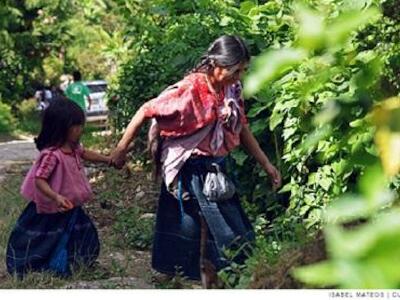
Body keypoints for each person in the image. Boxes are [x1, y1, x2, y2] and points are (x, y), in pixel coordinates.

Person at [110, 35, 282, 280]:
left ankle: (220, 275)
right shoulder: (189, 89)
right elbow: (146, 110)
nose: (239, 76)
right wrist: (121, 149)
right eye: (235, 70)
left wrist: (266, 164)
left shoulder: (231, 88)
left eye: (243, 70)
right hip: (190, 168)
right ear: (216, 65)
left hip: (217, 166)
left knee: (227, 224)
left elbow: (241, 127)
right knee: (193, 223)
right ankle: (183, 273)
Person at [6, 100, 111, 278]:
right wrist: (56, 197)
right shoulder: (51, 155)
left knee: (83, 235)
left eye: (81, 125)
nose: (80, 129)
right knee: (42, 239)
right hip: (51, 209)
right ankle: (32, 265)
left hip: (70, 208)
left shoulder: (74, 148)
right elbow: (40, 180)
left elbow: (86, 154)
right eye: (76, 126)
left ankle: (78, 263)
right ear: (61, 127)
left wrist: (108, 159)